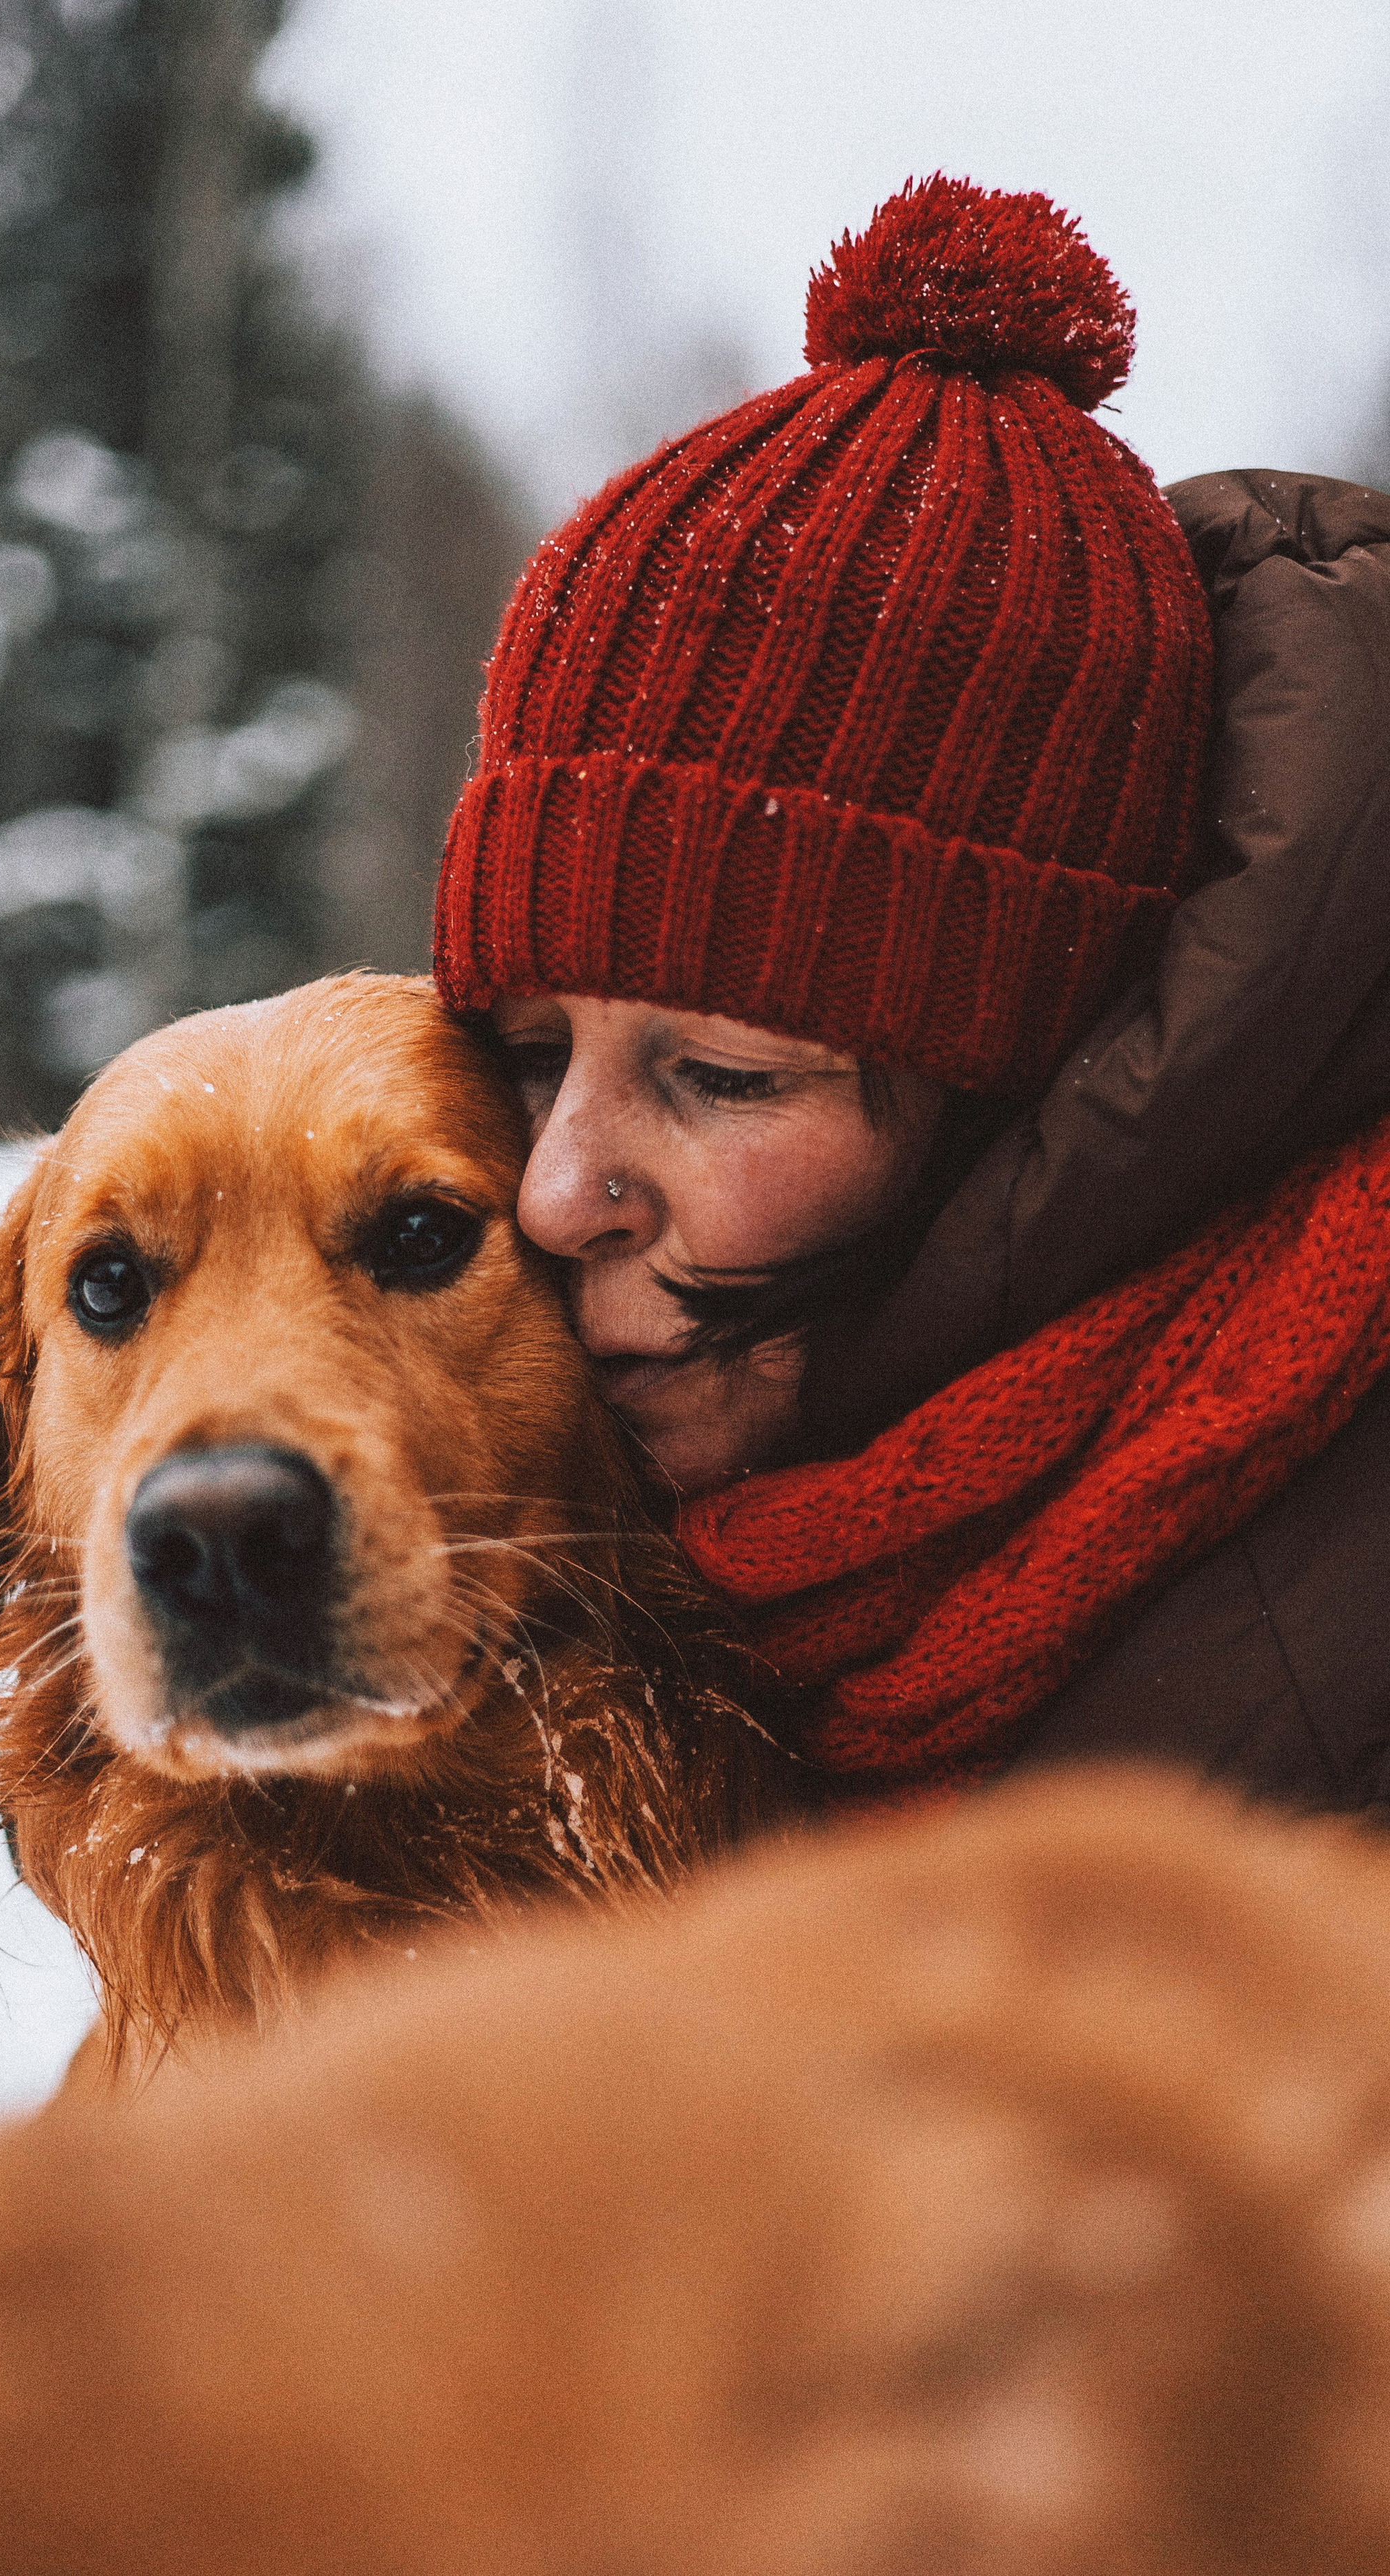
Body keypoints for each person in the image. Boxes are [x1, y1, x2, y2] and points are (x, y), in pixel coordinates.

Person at [432, 174, 1390, 1815]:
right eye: (530, 1051)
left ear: (1038, 1083)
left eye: (719, 1073)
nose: (551, 1190)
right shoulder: (553, 1546)